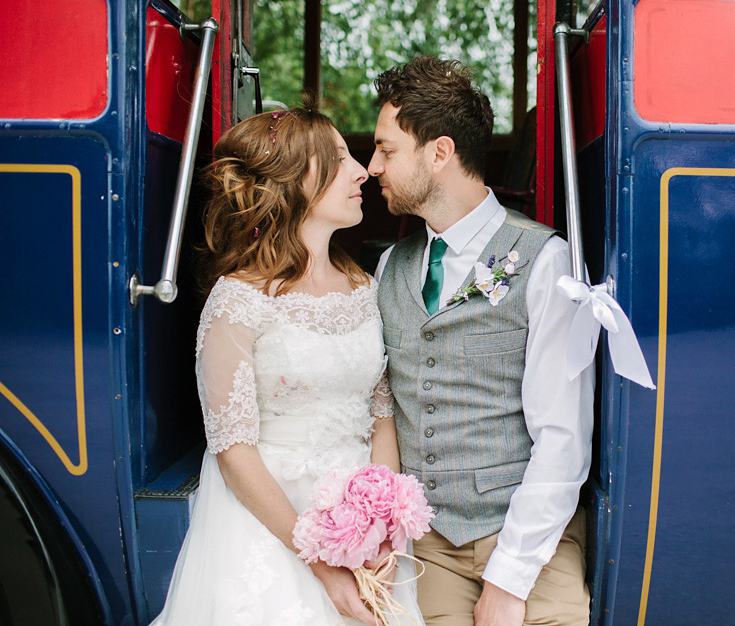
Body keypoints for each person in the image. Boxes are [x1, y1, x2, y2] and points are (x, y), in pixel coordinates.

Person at [152, 101, 424, 626]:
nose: (362, 170)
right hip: (271, 521)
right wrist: (321, 562)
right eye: (340, 157)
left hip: (363, 531)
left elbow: (381, 416)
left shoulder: (365, 288)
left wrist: (384, 527)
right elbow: (234, 451)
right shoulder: (237, 300)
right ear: (297, 181)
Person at [371, 56, 594, 626]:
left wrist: (511, 578)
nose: (373, 166)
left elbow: (563, 437)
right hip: (430, 545)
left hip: (527, 534)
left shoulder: (545, 260)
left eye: (387, 149)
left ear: (439, 153)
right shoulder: (388, 269)